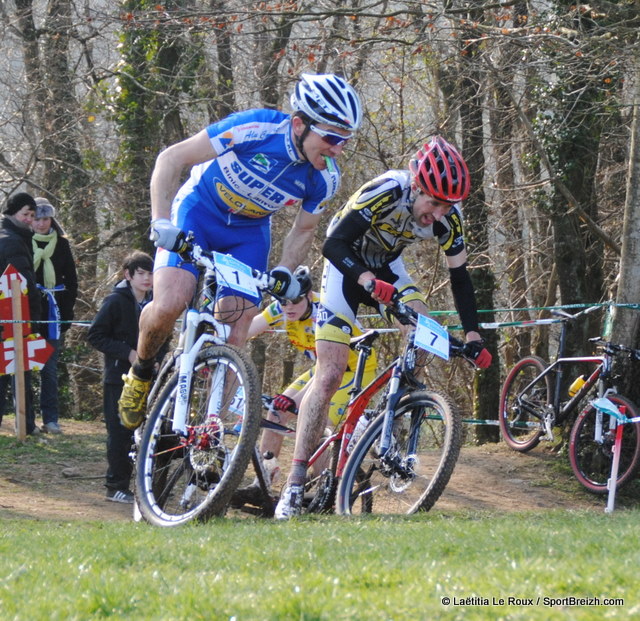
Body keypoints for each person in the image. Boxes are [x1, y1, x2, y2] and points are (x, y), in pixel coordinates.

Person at [118, 73, 364, 431]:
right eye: (330, 138)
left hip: (248, 234)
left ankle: (212, 428)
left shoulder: (325, 177)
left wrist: (283, 268)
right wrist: (159, 220)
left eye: (345, 141)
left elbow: (304, 228)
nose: (337, 149)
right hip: (199, 212)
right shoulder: (256, 128)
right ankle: (141, 372)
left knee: (237, 327)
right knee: (172, 301)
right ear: (299, 124)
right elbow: (171, 159)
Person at [275, 136, 493, 518]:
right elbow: (333, 245)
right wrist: (363, 279)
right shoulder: (386, 190)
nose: (438, 214)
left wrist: (474, 335)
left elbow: (460, 278)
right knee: (328, 375)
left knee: (424, 329)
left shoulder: (449, 219)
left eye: (447, 206)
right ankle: (293, 485)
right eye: (433, 203)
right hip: (345, 269)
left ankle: (387, 417)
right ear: (416, 186)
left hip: (388, 270)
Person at [245, 266, 378, 482]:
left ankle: (321, 485)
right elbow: (246, 331)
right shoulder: (282, 306)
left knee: (318, 423)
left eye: (295, 301)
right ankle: (264, 478)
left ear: (308, 295)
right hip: (323, 367)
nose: (288, 307)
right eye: (283, 302)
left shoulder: (323, 309)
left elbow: (330, 370)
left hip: (353, 369)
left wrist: (294, 400)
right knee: (276, 411)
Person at [87, 252, 157, 503]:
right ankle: (115, 485)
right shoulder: (115, 301)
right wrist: (126, 352)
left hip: (149, 377)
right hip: (118, 377)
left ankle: (146, 486)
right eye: (141, 273)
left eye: (151, 273)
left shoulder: (156, 302)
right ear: (128, 275)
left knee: (149, 430)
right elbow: (95, 335)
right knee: (119, 432)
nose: (147, 278)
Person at [31, 197, 78, 434]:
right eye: (37, 219)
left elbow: (71, 280)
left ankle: (50, 419)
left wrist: (67, 314)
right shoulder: (21, 242)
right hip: (28, 311)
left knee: (49, 368)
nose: (41, 224)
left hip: (53, 310)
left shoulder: (61, 244)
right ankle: (27, 420)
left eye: (45, 219)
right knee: (25, 366)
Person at [0, 192, 41, 435]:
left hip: (11, 315)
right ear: (12, 213)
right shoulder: (12, 241)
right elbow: (24, 283)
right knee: (15, 369)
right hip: (13, 315)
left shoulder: (15, 237)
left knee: (13, 369)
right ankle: (25, 425)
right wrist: (33, 317)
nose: (30, 219)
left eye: (33, 215)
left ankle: (26, 424)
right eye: (25, 214)